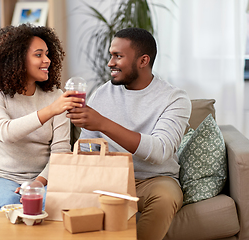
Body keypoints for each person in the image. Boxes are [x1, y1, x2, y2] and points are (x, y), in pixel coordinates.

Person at [67, 27, 191, 240]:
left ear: (143, 61)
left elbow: (160, 150)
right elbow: (87, 146)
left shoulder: (175, 99)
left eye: (118, 56)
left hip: (153, 180)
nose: (110, 63)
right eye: (110, 55)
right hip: (109, 176)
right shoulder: (103, 93)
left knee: (166, 197)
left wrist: (103, 124)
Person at [0, 24, 83, 213]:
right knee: (12, 203)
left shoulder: (56, 96)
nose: (47, 60)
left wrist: (38, 183)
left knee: (48, 203)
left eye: (47, 54)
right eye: (38, 54)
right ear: (16, 59)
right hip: (0, 180)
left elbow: (61, 151)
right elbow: (4, 132)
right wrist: (50, 111)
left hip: (44, 180)